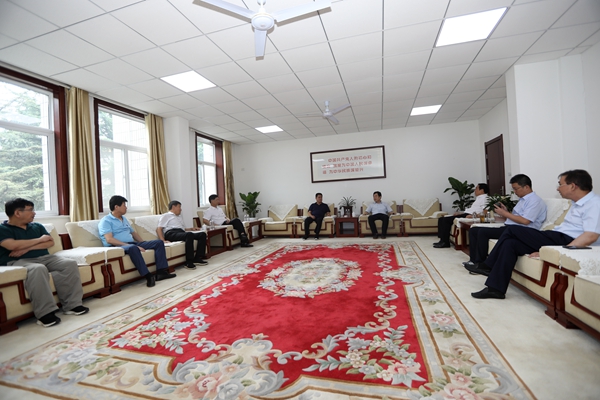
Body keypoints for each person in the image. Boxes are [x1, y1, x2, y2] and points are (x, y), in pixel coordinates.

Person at [472, 169, 600, 299]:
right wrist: (545, 250)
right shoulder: (576, 204)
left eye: (560, 184)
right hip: (556, 237)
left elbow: (591, 236)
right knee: (510, 244)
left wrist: (560, 250)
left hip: (565, 240)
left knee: (512, 230)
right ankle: (495, 289)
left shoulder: (594, 204)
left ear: (572, 186)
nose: (558, 188)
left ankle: (488, 265)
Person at [0, 198, 89, 328]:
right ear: (17, 213)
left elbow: (50, 242)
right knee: (38, 269)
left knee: (69, 264)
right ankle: (45, 314)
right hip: (18, 261)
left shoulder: (37, 226)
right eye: (30, 210)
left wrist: (27, 248)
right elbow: (12, 245)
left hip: (46, 257)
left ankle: (72, 305)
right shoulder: (3, 229)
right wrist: (40, 239)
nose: (34, 213)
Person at [463, 174, 547, 276]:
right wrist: (505, 213)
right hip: (511, 227)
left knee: (483, 232)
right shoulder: (522, 200)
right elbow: (514, 218)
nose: (515, 192)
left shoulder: (534, 201)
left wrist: (505, 214)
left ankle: (481, 264)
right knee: (474, 230)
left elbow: (525, 221)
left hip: (522, 231)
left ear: (526, 187)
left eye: (516, 189)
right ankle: (473, 261)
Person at [99, 195, 176, 288]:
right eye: (124, 205)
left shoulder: (124, 219)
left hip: (131, 244)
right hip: (117, 246)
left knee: (159, 243)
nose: (126, 207)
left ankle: (161, 272)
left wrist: (143, 243)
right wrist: (130, 245)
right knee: (133, 248)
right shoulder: (106, 221)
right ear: (116, 207)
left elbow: (133, 233)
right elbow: (109, 239)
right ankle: (148, 276)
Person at [433, 183, 489, 248]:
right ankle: (442, 240)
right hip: (467, 213)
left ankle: (445, 242)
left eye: (476, 188)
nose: (475, 190)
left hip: (470, 215)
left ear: (482, 190)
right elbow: (472, 209)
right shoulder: (479, 198)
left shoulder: (485, 198)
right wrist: (460, 213)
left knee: (446, 220)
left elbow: (485, 212)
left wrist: (472, 216)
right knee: (441, 219)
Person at [157, 200, 208, 270]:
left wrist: (191, 229)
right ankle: (189, 261)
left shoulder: (179, 216)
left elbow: (182, 229)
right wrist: (162, 240)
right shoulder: (166, 216)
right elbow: (159, 229)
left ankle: (198, 258)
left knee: (202, 234)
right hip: (171, 233)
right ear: (173, 207)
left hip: (181, 232)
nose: (181, 209)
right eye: (179, 207)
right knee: (189, 235)